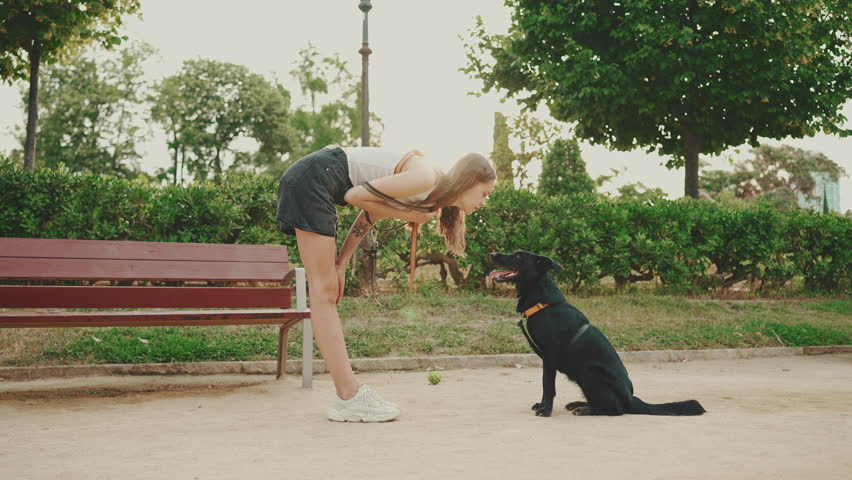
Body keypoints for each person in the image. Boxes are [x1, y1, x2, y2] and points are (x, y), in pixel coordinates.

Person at [277, 145, 496, 422]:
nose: (484, 201)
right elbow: (354, 196)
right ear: (468, 181)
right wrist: (411, 215)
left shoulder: (432, 195)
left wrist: (342, 263)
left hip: (316, 178)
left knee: (326, 289)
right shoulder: (426, 178)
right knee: (324, 291)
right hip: (314, 178)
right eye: (484, 193)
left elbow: (369, 216)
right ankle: (349, 397)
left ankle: (348, 396)